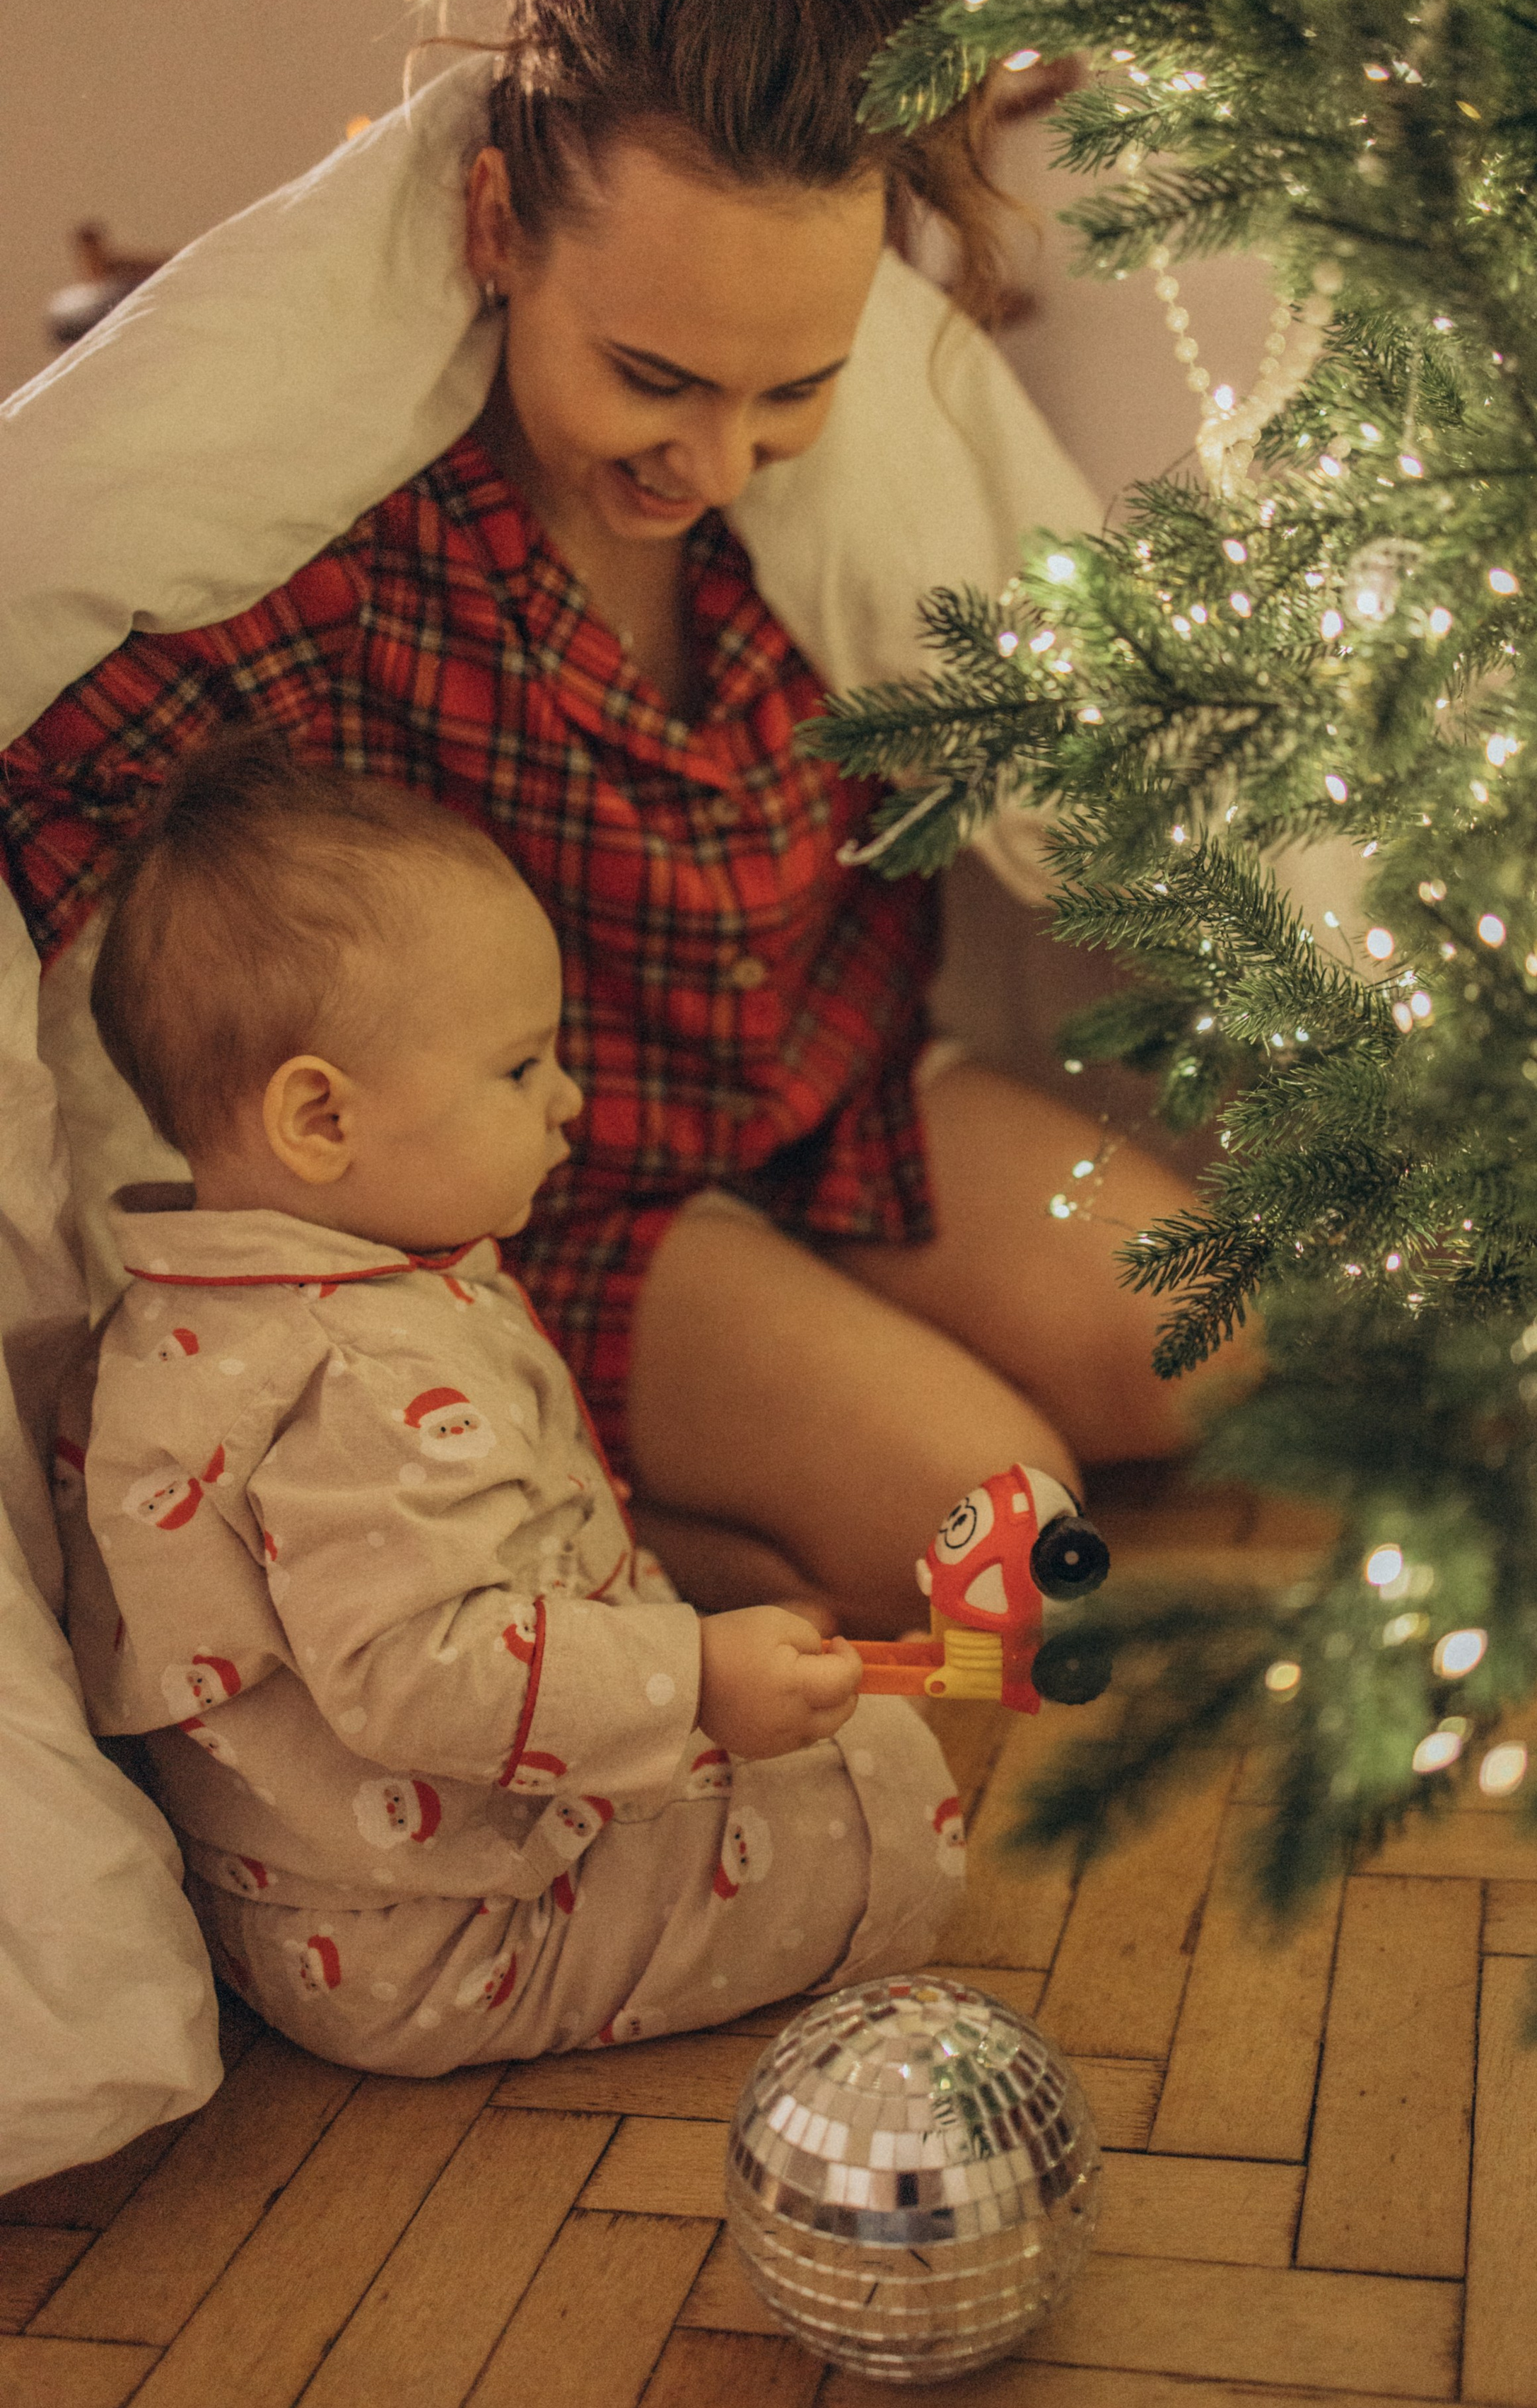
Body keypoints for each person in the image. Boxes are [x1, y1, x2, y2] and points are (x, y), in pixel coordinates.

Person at [0, 0, 1239, 1647]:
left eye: (792, 388)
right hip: (543, 1184)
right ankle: (601, 1571)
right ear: (497, 228)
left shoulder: (831, 520)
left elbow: (1070, 718)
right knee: (998, 1530)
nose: (716, 456)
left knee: (1191, 1333)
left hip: (832, 1100)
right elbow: (58, 771)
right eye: (651, 376)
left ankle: (794, 1419)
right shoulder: (364, 555)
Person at [57, 733, 960, 2071]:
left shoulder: (196, 1314)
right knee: (894, 1790)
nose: (569, 1102)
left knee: (805, 1700)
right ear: (320, 1119)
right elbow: (425, 1673)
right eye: (521, 1068)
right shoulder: (357, 1373)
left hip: (309, 1898)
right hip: (450, 1933)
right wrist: (692, 1679)